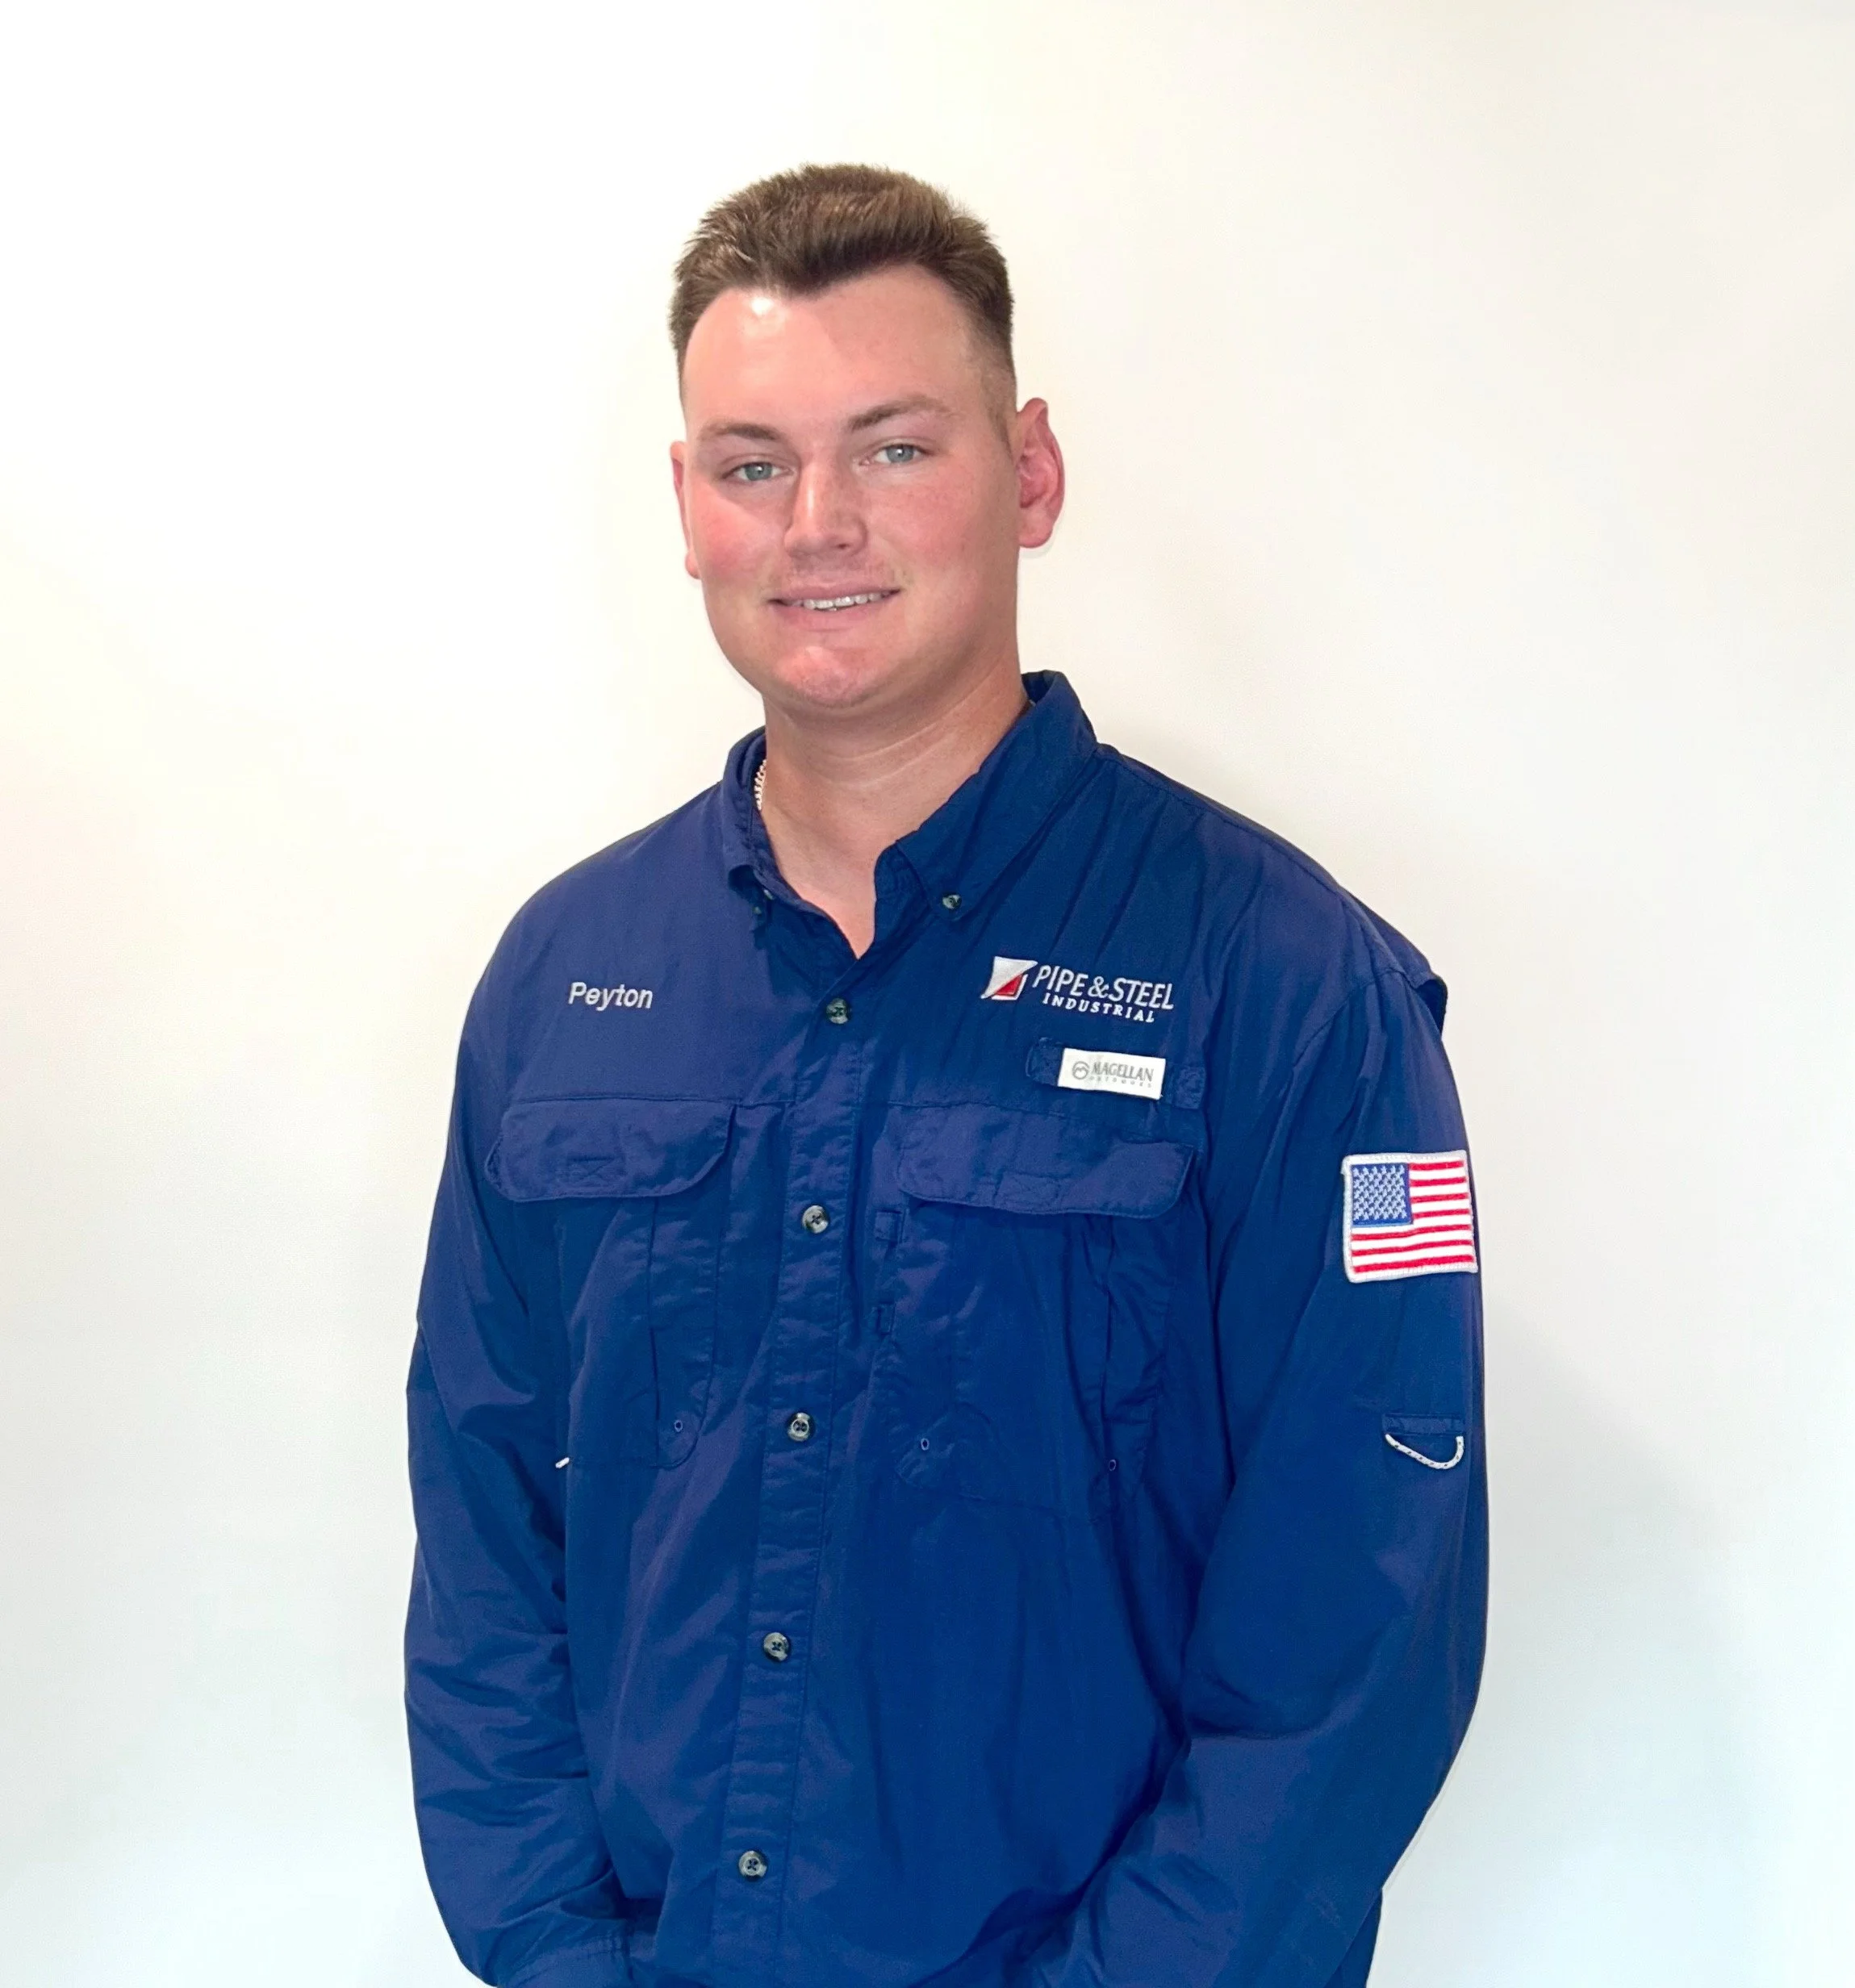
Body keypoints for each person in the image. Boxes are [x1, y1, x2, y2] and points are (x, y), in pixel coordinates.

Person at [405, 163, 1487, 1988]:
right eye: (754, 463)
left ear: (1030, 471)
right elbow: (484, 1530)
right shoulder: (563, 977)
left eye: (893, 448)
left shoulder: (1292, 985)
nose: (817, 520)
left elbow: (1352, 1636)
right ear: (689, 508)